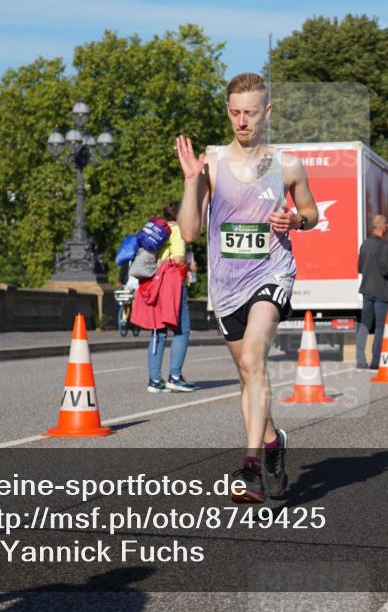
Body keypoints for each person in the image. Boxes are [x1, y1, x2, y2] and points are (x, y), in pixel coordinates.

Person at [175, 72, 319, 503]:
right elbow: (189, 233)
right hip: (226, 285)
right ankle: (274, 444)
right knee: (248, 374)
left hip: (272, 274)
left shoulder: (287, 164)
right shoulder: (212, 163)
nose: (242, 121)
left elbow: (311, 213)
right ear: (228, 112)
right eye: (235, 112)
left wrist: (294, 220)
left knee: (255, 359)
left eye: (251, 113)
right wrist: (189, 182)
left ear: (266, 113)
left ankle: (252, 466)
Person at [144, 202, 198, 393]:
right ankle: (175, 376)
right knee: (182, 330)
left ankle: (154, 380)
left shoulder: (160, 230)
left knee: (158, 331)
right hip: (173, 284)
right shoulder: (177, 231)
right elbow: (177, 259)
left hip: (156, 282)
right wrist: (189, 265)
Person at [356, 214, 388, 370]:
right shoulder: (384, 246)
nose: (387, 227)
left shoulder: (365, 244)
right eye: (386, 224)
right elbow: (384, 269)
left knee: (365, 325)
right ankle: (375, 362)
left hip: (367, 289)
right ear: (381, 226)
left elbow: (359, 268)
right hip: (381, 291)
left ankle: (360, 360)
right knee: (380, 326)